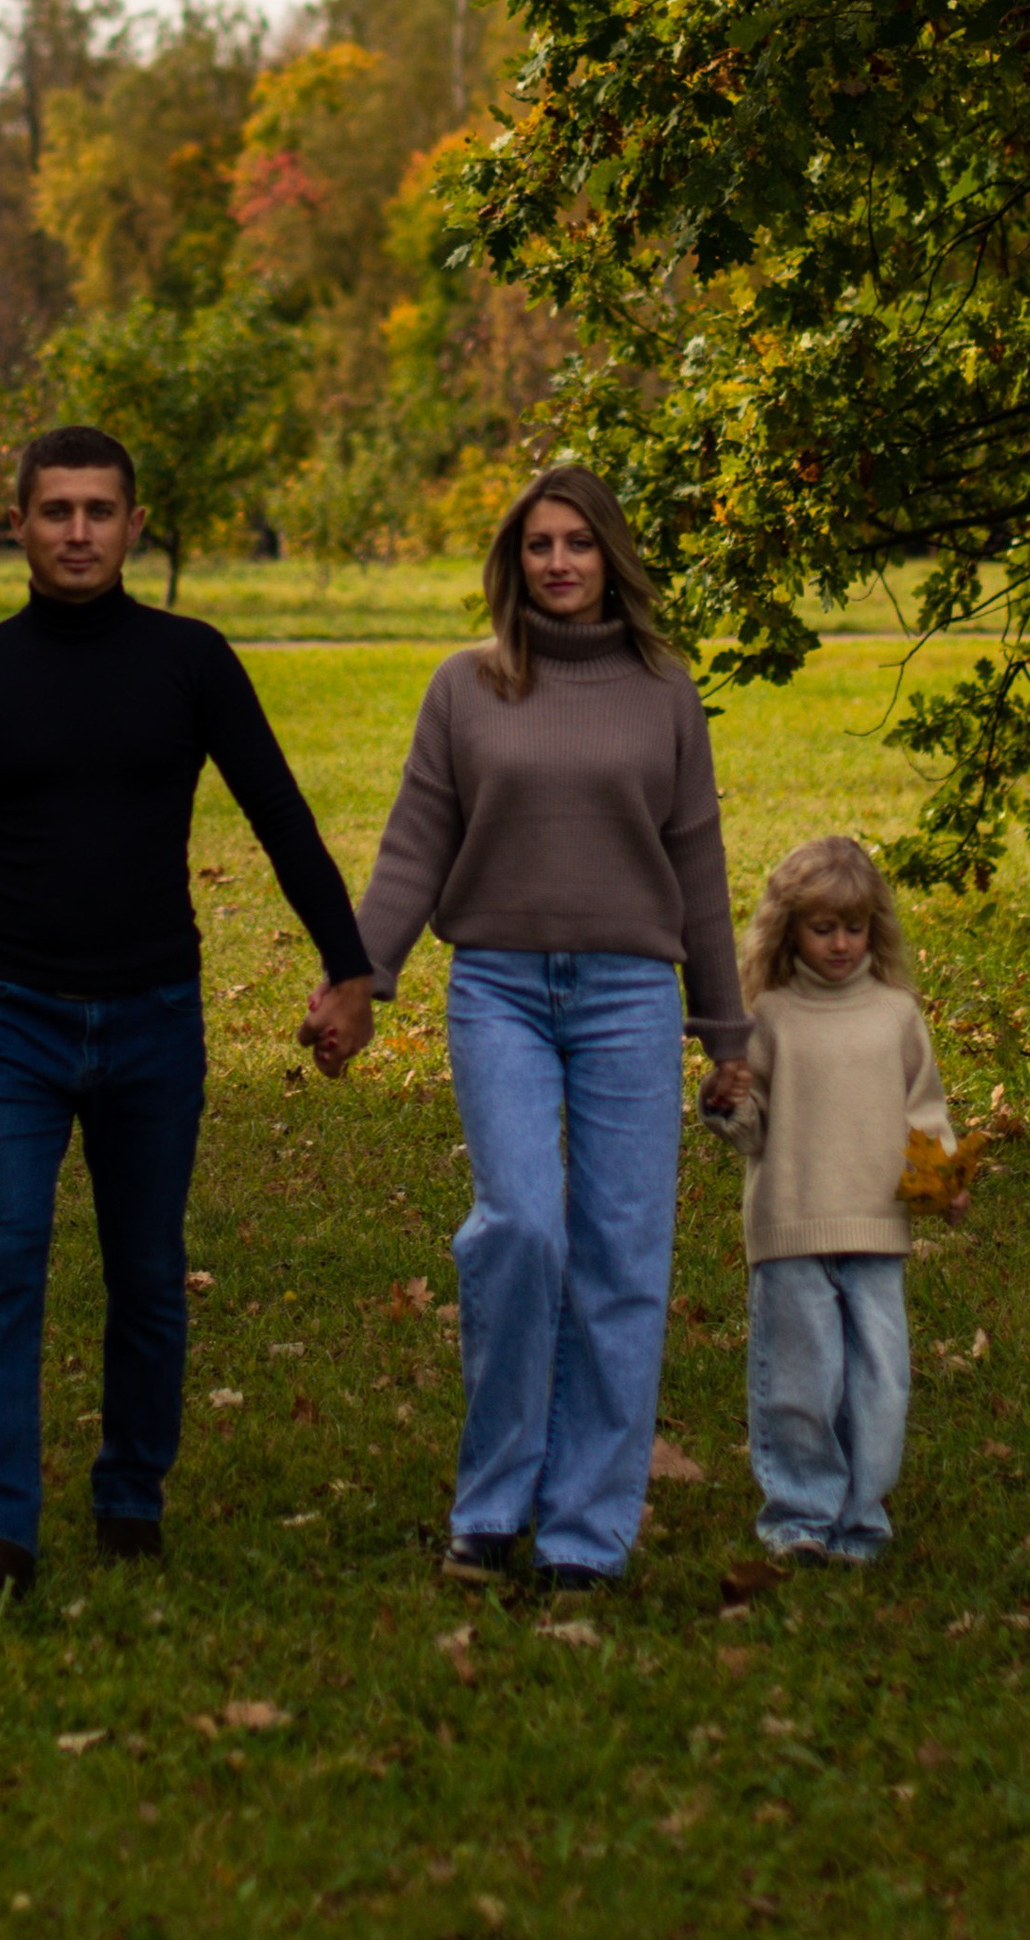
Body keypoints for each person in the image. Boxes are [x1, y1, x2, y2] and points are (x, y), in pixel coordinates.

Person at [0, 423, 375, 1607]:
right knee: (2, 1262)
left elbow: (279, 813)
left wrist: (348, 967)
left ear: (135, 525)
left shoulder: (190, 661)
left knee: (146, 1270)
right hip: (11, 1016)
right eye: (56, 511)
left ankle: (130, 1497)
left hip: (154, 1013)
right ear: (18, 525)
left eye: (100, 510)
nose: (79, 532)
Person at [309, 462, 747, 1595]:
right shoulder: (466, 687)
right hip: (496, 985)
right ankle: (493, 1499)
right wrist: (359, 974)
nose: (559, 562)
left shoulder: (664, 690)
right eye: (539, 544)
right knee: (520, 1228)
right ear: (515, 561)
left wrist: (725, 1028)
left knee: (620, 1256)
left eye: (578, 543)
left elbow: (695, 861)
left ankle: (583, 1534)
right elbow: (415, 841)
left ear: (611, 557)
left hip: (629, 996)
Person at [700, 835, 953, 1566]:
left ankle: (862, 1518)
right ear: (790, 930)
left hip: (878, 1228)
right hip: (791, 1224)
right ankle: (800, 1516)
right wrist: (723, 1100)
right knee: (799, 1379)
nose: (841, 943)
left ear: (875, 926)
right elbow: (750, 1127)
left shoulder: (898, 1014)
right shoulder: (770, 1017)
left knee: (880, 1382)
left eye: (855, 926)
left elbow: (925, 1113)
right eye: (822, 927)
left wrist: (942, 1184)